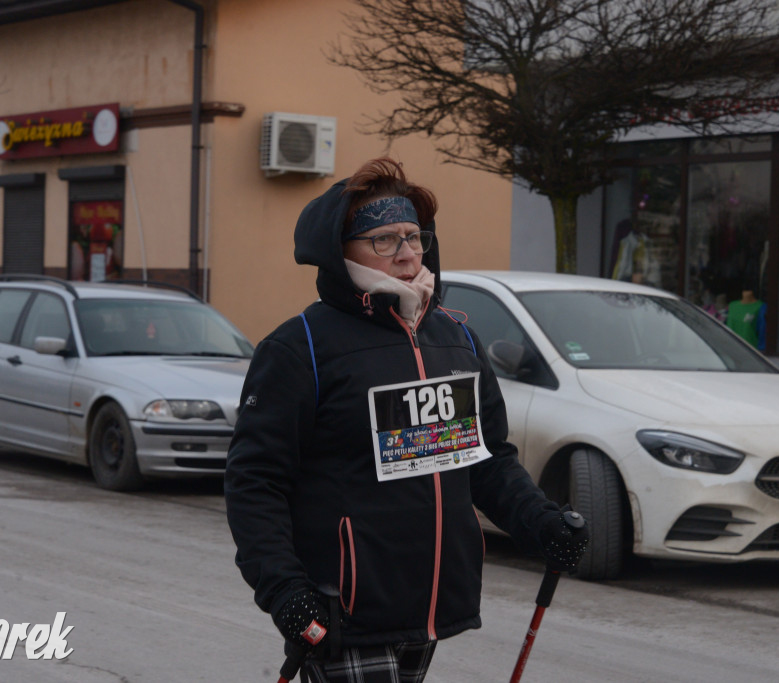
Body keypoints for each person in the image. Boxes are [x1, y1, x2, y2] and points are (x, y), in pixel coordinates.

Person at [224, 157, 589, 682]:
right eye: (384, 240)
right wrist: (284, 590)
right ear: (339, 249)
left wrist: (542, 523)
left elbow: (486, 461)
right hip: (343, 610)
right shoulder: (300, 348)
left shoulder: (455, 339)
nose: (407, 253)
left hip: (429, 606)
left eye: (414, 237)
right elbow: (255, 481)